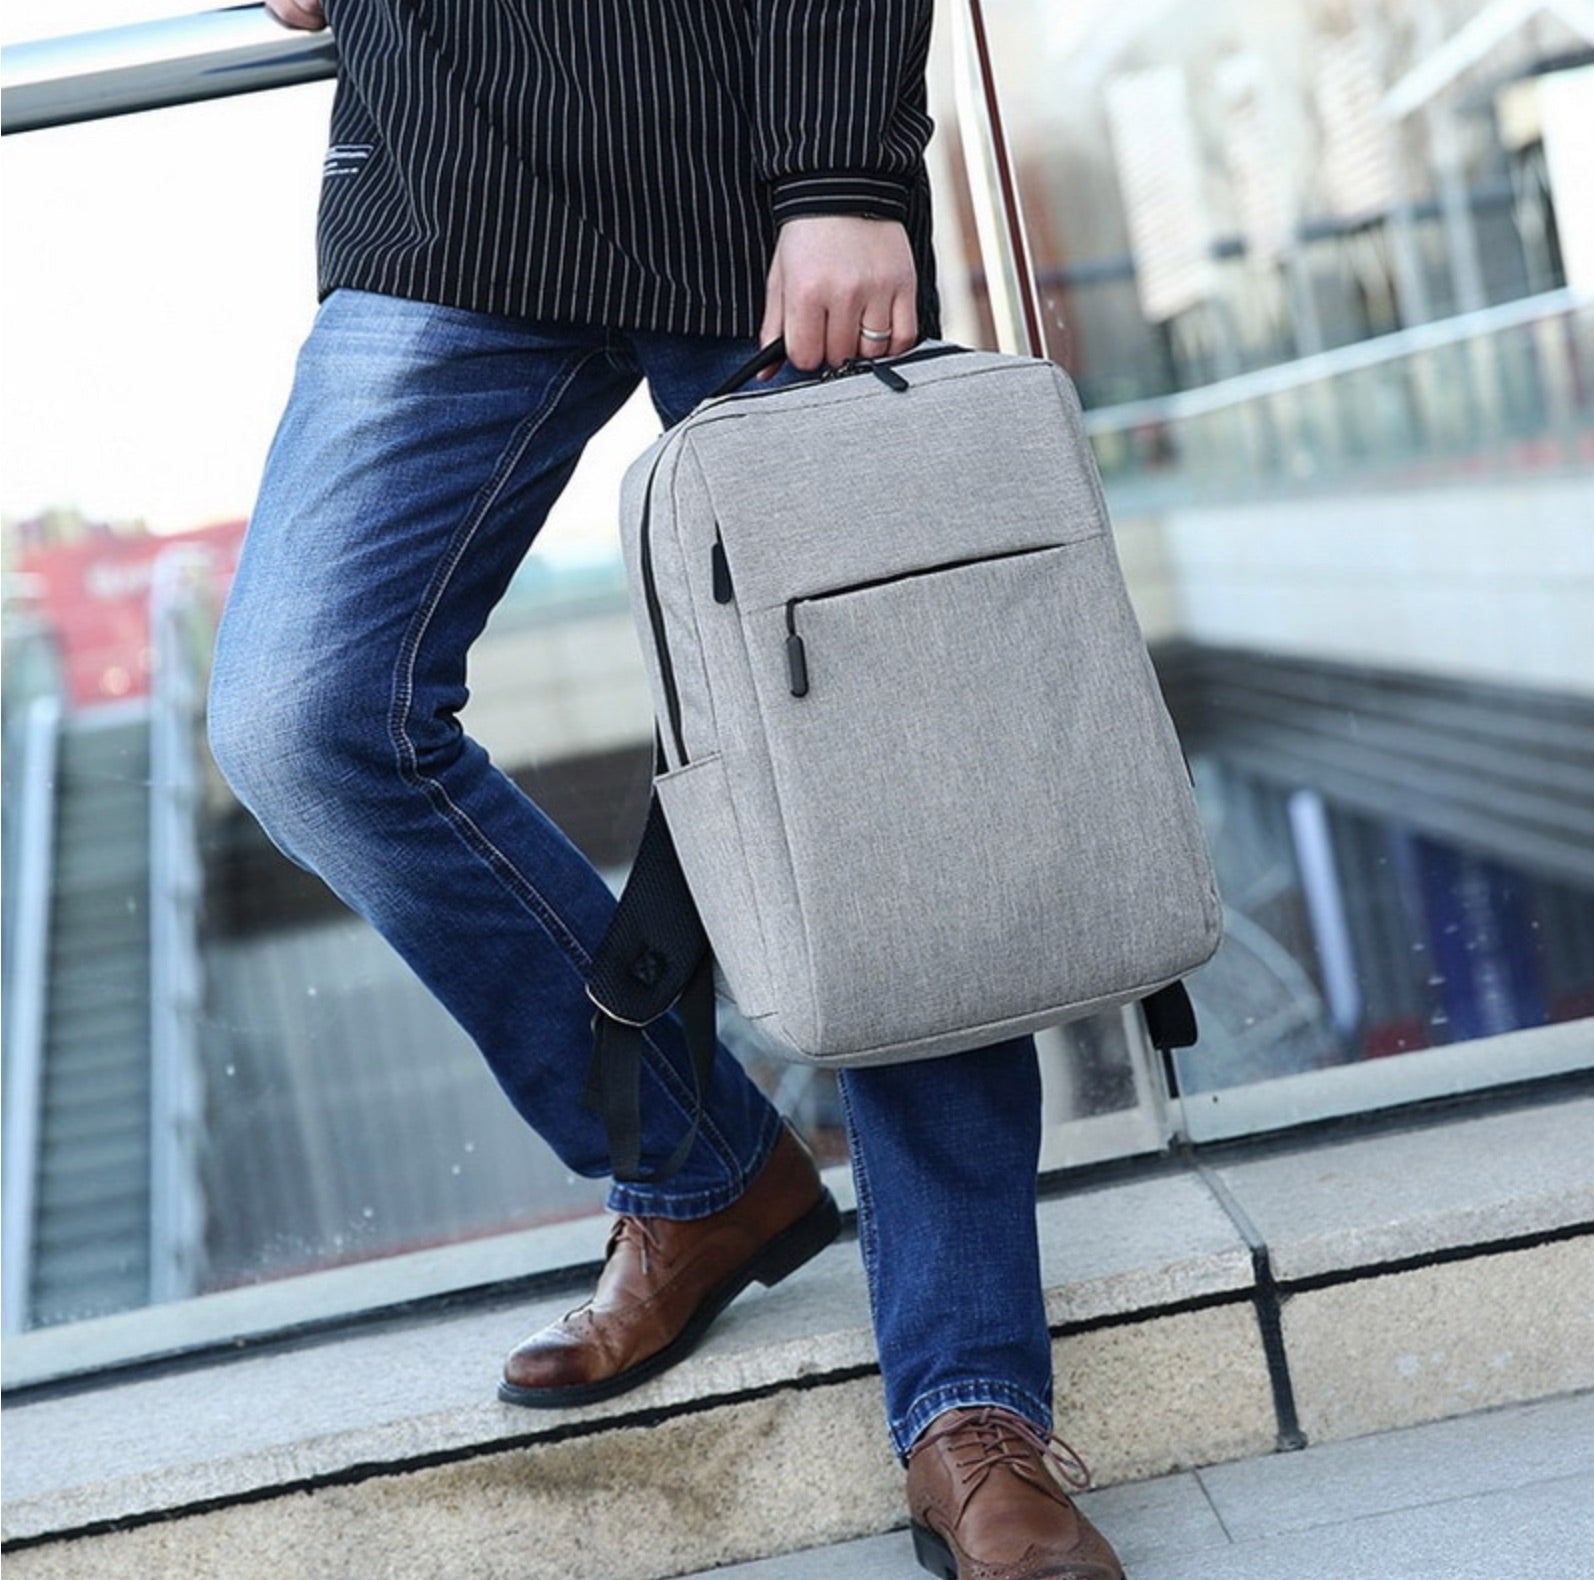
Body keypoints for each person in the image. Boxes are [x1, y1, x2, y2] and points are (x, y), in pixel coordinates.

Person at [210, 4, 1125, 1576]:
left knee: (886, 760)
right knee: (305, 722)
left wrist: (842, 173)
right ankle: (699, 1164)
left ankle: (971, 1405)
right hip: (443, 188)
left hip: (756, 178)